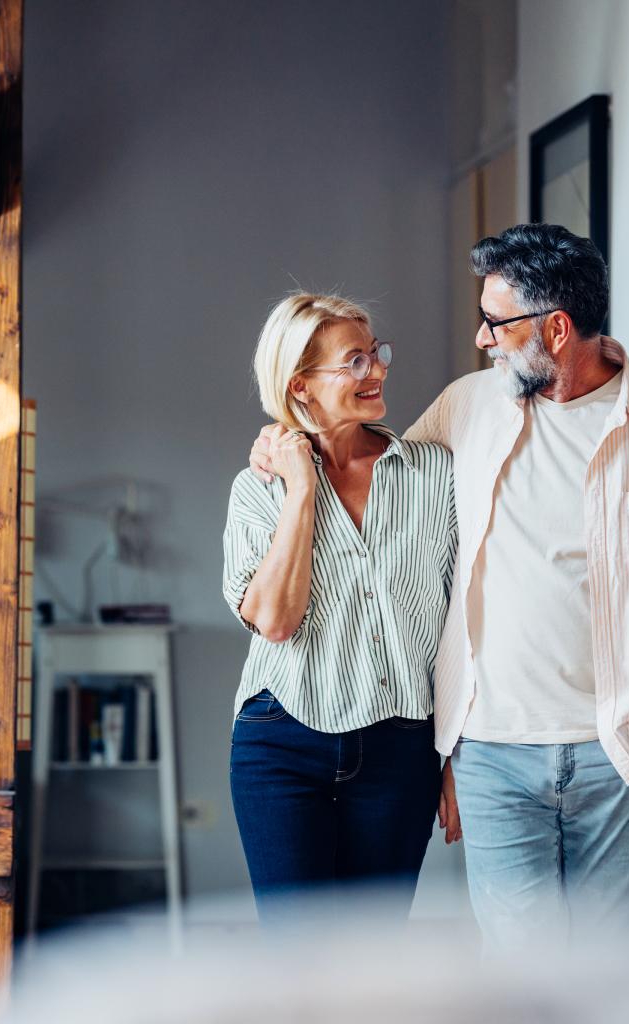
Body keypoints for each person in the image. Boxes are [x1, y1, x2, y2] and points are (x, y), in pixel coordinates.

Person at [250, 225, 629, 953]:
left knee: (604, 975)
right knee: (520, 979)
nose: (481, 338)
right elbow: (376, 479)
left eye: (496, 322)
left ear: (557, 327)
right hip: (493, 754)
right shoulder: (466, 406)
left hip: (625, 755)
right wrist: (289, 443)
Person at [222, 293, 457, 924]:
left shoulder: (435, 474)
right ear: (301, 385)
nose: (377, 370)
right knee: (299, 965)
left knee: (371, 963)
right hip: (281, 744)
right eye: (355, 361)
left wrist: (458, 756)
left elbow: (467, 624)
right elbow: (274, 620)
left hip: (400, 751)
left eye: (376, 353)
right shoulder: (259, 488)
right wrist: (301, 489)